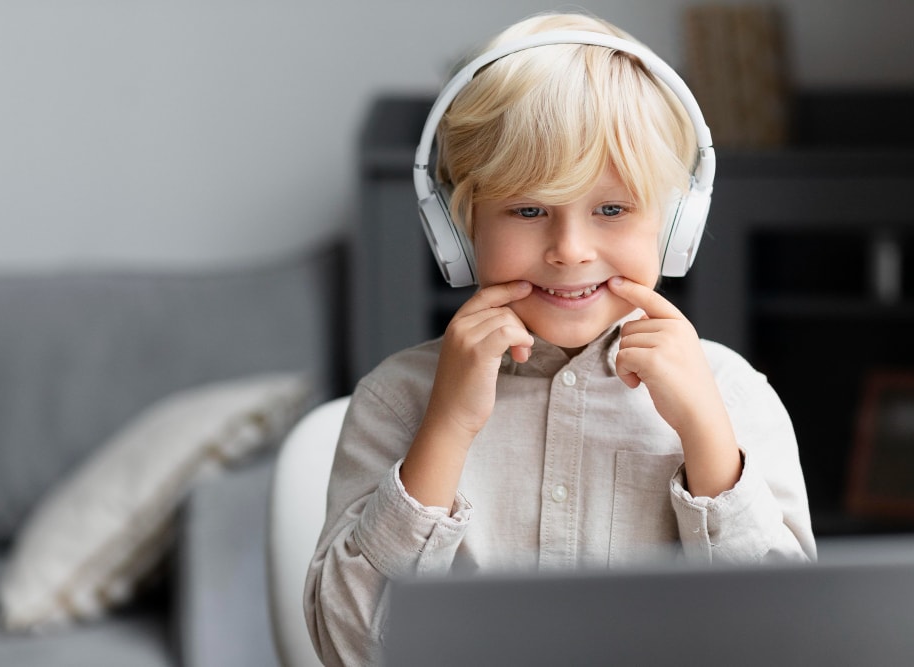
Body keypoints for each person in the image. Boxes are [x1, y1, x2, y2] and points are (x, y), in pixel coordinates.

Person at [305, 10, 815, 666]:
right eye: (528, 209)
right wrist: (447, 428)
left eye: (611, 209)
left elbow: (788, 646)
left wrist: (707, 440)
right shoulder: (396, 401)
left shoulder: (735, 398)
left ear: (676, 226)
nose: (571, 251)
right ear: (457, 231)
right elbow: (349, 648)